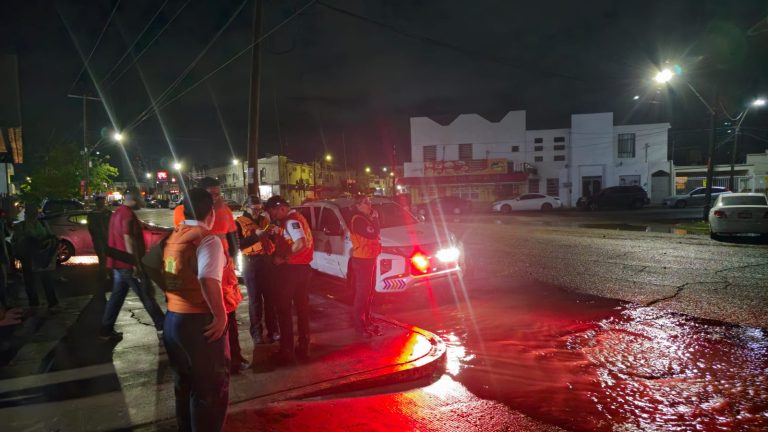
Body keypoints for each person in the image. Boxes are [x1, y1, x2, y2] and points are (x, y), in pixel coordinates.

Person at [162, 188, 229, 432]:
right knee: (209, 391)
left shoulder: (175, 234)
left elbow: (149, 263)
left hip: (172, 320)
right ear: (211, 212)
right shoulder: (207, 239)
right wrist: (220, 316)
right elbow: (208, 279)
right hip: (197, 323)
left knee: (185, 386)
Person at [174, 178, 248, 373]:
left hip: (224, 274)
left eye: (218, 194)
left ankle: (235, 359)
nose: (216, 198)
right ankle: (219, 362)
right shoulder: (183, 214)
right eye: (212, 194)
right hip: (204, 281)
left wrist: (230, 260)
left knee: (229, 319)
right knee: (214, 322)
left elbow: (233, 240)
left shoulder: (224, 212)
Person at [99, 188, 165, 341]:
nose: (142, 203)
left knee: (117, 296)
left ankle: (105, 330)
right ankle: (162, 326)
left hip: (117, 262)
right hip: (128, 264)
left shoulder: (117, 213)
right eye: (140, 199)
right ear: (134, 199)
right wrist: (135, 264)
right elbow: (128, 238)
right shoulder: (128, 214)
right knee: (146, 294)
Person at [264, 195, 313, 365]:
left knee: (283, 310)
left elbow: (300, 243)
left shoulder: (292, 221)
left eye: (273, 212)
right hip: (303, 269)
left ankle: (287, 350)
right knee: (302, 309)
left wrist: (283, 258)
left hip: (291, 270)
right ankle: (304, 347)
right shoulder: (296, 219)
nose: (273, 216)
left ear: (281, 208)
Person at [236, 195, 279, 348]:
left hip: (266, 261)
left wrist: (273, 234)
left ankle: (273, 331)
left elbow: (272, 241)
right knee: (255, 301)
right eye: (254, 209)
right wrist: (256, 236)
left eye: (259, 209)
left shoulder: (264, 221)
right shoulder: (239, 223)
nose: (257, 212)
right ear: (246, 207)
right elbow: (238, 245)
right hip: (251, 263)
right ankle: (257, 334)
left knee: (270, 299)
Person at [13, 205, 59, 312]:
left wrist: (48, 242)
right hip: (28, 258)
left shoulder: (43, 224)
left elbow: (52, 236)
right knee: (30, 281)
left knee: (46, 279)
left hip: (42, 257)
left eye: (35, 213)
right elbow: (18, 241)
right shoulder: (21, 226)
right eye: (31, 213)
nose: (33, 215)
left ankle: (52, 302)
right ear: (26, 214)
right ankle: (34, 303)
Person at [348, 195, 383, 338]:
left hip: (369, 258)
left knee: (368, 292)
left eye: (369, 202)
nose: (369, 205)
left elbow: (376, 232)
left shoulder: (365, 218)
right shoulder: (358, 220)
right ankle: (359, 326)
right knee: (362, 294)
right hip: (362, 260)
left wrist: (375, 219)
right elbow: (373, 233)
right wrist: (375, 219)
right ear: (358, 205)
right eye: (366, 203)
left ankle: (367, 320)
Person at [87, 196, 112, 290]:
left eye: (103, 201)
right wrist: (95, 236)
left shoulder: (108, 213)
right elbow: (90, 228)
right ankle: (103, 276)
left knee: (108, 256)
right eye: (100, 202)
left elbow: (112, 225)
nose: (102, 203)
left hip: (108, 238)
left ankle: (108, 274)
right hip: (98, 239)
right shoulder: (92, 214)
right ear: (97, 203)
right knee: (102, 257)